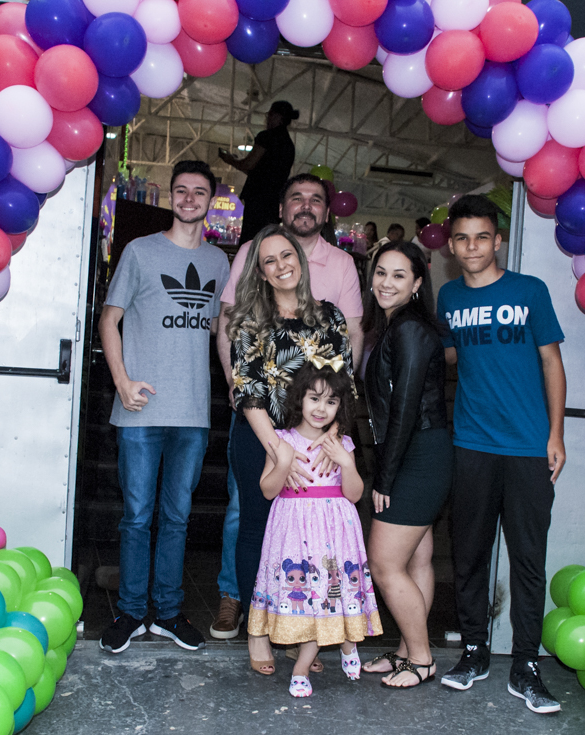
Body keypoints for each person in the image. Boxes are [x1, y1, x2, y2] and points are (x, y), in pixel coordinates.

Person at [210, 174, 364, 638]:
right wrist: (279, 450)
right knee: (257, 526)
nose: (280, 266)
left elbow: (343, 383)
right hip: (262, 439)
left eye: (286, 256)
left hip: (318, 442)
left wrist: (326, 442)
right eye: (269, 261)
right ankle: (257, 631)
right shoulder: (248, 319)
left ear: (301, 260)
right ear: (259, 270)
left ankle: (300, 631)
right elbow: (250, 389)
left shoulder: (330, 316)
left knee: (307, 538)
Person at [436, 194, 567, 714]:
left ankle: (526, 666)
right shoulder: (447, 297)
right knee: (468, 554)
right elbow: (450, 351)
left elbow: (551, 363)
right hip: (470, 445)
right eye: (463, 238)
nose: (473, 246)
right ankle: (474, 651)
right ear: (451, 245)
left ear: (498, 240)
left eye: (482, 236)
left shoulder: (529, 291)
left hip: (528, 448)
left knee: (527, 559)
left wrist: (555, 436)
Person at [97, 160, 229, 655]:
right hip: (140, 408)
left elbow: (221, 332)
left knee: (176, 517)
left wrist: (237, 378)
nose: (189, 198)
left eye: (199, 191)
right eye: (181, 191)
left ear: (210, 200)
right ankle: (132, 612)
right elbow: (110, 320)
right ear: (171, 197)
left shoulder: (219, 263)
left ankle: (169, 612)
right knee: (136, 516)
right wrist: (122, 381)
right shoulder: (139, 251)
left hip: (193, 411)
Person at [249, 362, 382, 696]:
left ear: (340, 406)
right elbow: (267, 490)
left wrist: (347, 462)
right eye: (314, 399)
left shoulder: (343, 444)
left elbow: (354, 494)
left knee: (328, 593)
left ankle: (330, 653)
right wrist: (283, 462)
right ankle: (317, 658)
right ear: (299, 400)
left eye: (331, 401)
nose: (321, 409)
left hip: (333, 532)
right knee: (306, 597)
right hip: (293, 532)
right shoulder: (280, 441)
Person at [360, 241, 452, 688]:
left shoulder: (411, 330)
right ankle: (406, 652)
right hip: (421, 450)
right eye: (381, 272)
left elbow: (405, 407)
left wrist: (385, 475)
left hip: (418, 454)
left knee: (383, 563)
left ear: (417, 284)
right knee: (416, 559)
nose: (386, 283)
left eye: (399, 275)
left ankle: (421, 658)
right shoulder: (395, 327)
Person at [219, 100, 300, 245]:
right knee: (267, 241)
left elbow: (249, 165)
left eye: (269, 115)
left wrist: (230, 160)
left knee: (250, 241)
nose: (267, 118)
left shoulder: (267, 137)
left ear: (277, 116)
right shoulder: (288, 145)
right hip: (274, 201)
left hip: (258, 198)